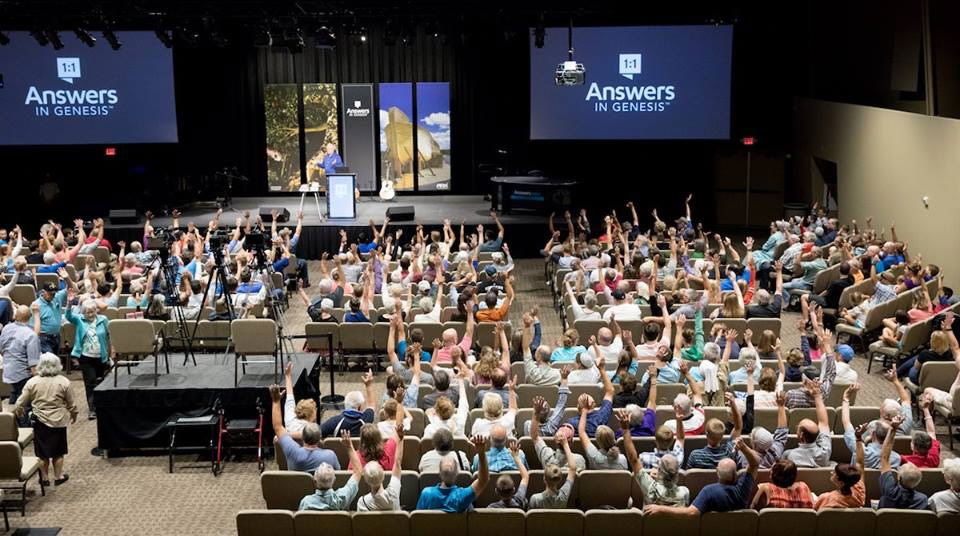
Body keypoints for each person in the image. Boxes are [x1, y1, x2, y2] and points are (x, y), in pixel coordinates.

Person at [643, 437, 760, 516]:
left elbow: (691, 513)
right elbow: (755, 464)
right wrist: (744, 447)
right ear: (736, 474)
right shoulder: (743, 488)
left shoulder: (709, 491)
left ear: (717, 473)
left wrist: (660, 509)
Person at [13, 352, 78, 487]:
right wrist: (74, 414)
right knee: (58, 451)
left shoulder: (32, 382)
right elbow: (72, 403)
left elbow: (20, 403)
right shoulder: (64, 381)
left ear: (40, 366)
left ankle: (44, 478)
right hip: (59, 421)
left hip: (40, 421)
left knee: (42, 453)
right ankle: (58, 476)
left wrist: (19, 413)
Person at [618, 409, 689, 507]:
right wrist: (679, 420)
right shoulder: (685, 492)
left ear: (659, 470)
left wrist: (625, 430)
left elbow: (633, 460)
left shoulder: (650, 486)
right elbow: (681, 439)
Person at [270, 384, 339, 473]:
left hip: (295, 487)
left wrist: (276, 401)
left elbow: (278, 427)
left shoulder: (292, 451)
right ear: (319, 439)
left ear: (303, 437)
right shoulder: (330, 456)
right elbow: (338, 474)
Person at [62, 299, 110, 421]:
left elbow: (110, 335)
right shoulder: (79, 320)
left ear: (96, 311)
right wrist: (69, 304)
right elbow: (68, 316)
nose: (90, 314)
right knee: (90, 382)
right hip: (86, 357)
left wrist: (112, 351)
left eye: (92, 311)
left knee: (101, 381)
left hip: (101, 356)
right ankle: (92, 409)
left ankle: (102, 406)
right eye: (87, 312)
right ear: (83, 313)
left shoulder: (103, 320)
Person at [416, 435, 489, 512]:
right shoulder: (462, 496)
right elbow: (483, 480)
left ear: (439, 474)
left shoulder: (426, 494)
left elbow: (418, 518)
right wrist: (481, 454)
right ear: (457, 473)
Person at [298, 431, 360, 511]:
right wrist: (349, 446)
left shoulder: (306, 502)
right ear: (334, 480)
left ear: (315, 481)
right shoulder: (342, 496)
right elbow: (358, 471)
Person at [0, 305, 41, 425]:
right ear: (29, 317)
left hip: (8, 370)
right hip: (23, 373)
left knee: (15, 394)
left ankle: (10, 422)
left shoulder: (6, 328)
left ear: (16, 316)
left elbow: (1, 349)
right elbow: (33, 364)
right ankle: (24, 428)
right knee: (25, 403)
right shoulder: (30, 335)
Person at [878, 414, 927, 509]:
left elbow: (884, 457)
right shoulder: (923, 500)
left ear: (899, 477)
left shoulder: (889, 491)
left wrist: (893, 428)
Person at [782, 374, 832, 467]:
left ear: (801, 435)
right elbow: (824, 423)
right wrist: (817, 396)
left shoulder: (789, 456)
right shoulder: (825, 451)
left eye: (798, 427)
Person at [815, 424, 866, 509]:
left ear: (841, 483)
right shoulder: (859, 492)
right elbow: (860, 463)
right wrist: (858, 438)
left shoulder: (827, 498)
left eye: (835, 473)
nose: (831, 472)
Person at [357, 421, 405, 511]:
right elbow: (398, 463)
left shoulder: (362, 502)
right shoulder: (393, 493)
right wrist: (401, 438)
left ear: (366, 480)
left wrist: (349, 448)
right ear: (383, 476)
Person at [685, 393, 742, 469]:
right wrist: (733, 405)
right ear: (722, 436)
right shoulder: (730, 451)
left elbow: (689, 477)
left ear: (706, 433)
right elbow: (738, 427)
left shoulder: (695, 456)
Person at [528, 431, 577, 509]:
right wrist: (565, 444)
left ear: (544, 479)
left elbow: (530, 517)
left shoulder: (535, 499)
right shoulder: (564, 496)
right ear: (560, 479)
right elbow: (573, 469)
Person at [320, 370, 376, 437]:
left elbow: (317, 434)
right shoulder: (366, 418)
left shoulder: (334, 421)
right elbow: (371, 404)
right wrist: (368, 385)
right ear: (359, 407)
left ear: (345, 405)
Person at [488, 439, 529, 509]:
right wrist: (515, 457)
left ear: (496, 491)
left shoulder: (491, 508)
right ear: (513, 490)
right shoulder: (520, 501)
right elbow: (525, 477)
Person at [281, 362, 316, 441]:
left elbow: (290, 397)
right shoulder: (313, 431)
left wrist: (288, 376)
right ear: (310, 415)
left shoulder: (290, 420)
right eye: (315, 409)